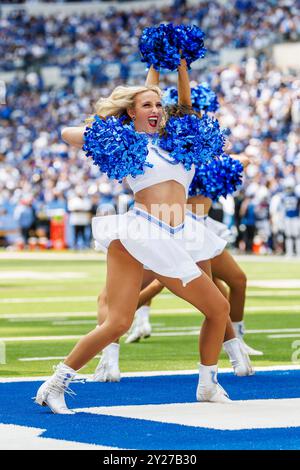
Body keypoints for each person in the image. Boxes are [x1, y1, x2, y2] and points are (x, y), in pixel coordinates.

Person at [35, 58, 233, 415]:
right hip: (140, 232)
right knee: (118, 322)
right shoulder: (130, 145)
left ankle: (208, 384)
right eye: (147, 105)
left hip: (180, 232)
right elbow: (68, 134)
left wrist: (183, 67)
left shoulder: (178, 142)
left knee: (218, 308)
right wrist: (111, 125)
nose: (156, 109)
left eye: (159, 104)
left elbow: (185, 107)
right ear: (132, 113)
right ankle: (55, 384)